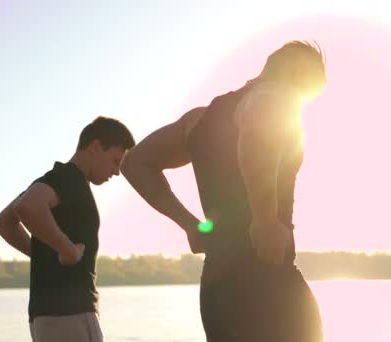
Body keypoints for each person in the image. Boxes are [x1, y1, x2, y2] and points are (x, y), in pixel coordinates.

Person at [121, 40, 326, 341]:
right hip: (265, 279)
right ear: (296, 76)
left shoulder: (199, 119)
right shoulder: (275, 96)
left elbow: (135, 162)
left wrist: (190, 224)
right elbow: (257, 132)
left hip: (217, 285)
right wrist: (264, 218)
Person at [0, 116, 135, 342]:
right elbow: (27, 207)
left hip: (46, 315)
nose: (117, 171)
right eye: (115, 160)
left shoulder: (53, 179)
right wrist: (67, 249)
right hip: (71, 313)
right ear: (95, 148)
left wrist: (42, 252)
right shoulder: (70, 178)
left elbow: (5, 222)